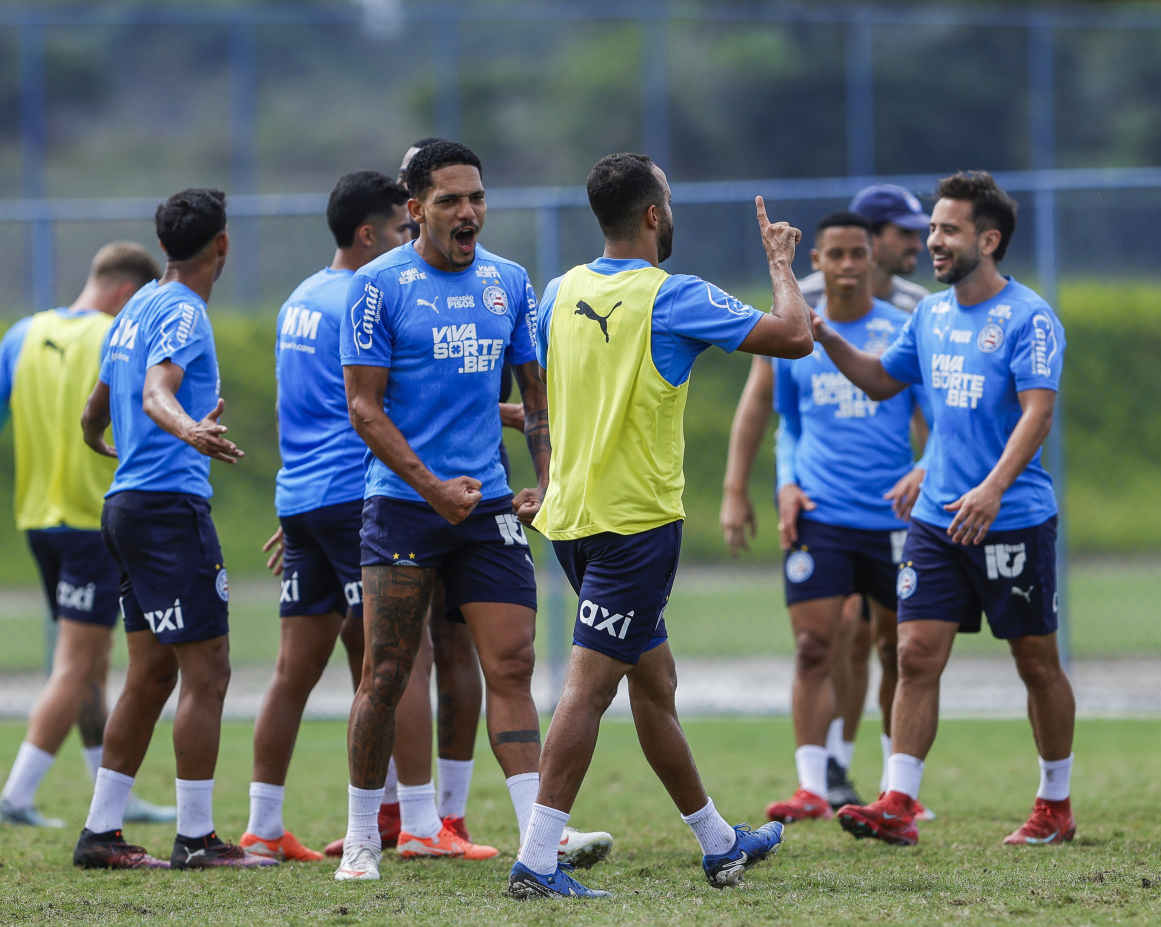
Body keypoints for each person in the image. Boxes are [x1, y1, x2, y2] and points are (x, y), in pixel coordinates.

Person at [507, 152, 813, 900]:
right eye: (668, 201)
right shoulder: (673, 297)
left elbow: (552, 394)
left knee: (655, 683)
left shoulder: (559, 292)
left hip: (573, 523)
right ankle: (536, 862)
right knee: (588, 691)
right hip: (634, 529)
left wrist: (547, 463)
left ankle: (718, 842)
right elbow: (794, 334)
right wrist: (780, 263)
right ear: (653, 214)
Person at [822, 171, 1074, 847]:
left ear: (988, 241)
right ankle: (898, 801)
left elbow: (1038, 413)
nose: (932, 240)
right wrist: (826, 336)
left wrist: (992, 488)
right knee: (915, 655)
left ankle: (1055, 803)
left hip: (1012, 518)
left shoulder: (1029, 317)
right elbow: (881, 379)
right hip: (937, 520)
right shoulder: (929, 316)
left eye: (948, 229)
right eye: (931, 228)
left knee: (1036, 663)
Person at [334, 140, 553, 882]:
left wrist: (547, 479)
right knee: (386, 672)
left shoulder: (510, 282)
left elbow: (535, 397)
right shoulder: (377, 286)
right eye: (451, 199)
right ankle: (363, 837)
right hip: (404, 506)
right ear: (416, 207)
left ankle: (538, 840)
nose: (469, 212)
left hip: (487, 507)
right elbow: (363, 409)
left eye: (477, 198)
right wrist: (431, 488)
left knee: (512, 663)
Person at [72, 188, 276, 870]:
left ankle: (101, 834)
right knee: (207, 669)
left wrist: (99, 439)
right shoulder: (184, 311)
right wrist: (189, 428)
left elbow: (97, 407)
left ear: (163, 245)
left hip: (126, 507)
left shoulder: (134, 308)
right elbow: (156, 390)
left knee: (151, 671)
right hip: (166, 509)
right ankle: (196, 838)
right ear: (222, 244)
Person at [720, 183, 931, 807]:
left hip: (892, 517)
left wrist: (927, 470)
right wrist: (780, 483)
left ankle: (895, 789)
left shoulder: (904, 328)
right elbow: (787, 421)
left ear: (872, 257)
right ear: (817, 260)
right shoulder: (797, 330)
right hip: (821, 514)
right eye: (834, 254)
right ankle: (812, 786)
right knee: (815, 646)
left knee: (897, 649)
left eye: (856, 253)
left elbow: (935, 419)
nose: (846, 264)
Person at [238, 171, 423, 862]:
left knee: (299, 669)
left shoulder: (300, 298)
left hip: (303, 501)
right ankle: (418, 822)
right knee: (396, 660)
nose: (411, 240)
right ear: (369, 235)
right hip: (354, 498)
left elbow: (301, 408)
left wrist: (301, 509)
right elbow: (383, 403)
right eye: (402, 230)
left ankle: (263, 825)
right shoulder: (363, 298)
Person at [0, 243, 174, 829]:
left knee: (94, 663)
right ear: (127, 294)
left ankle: (113, 792)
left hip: (37, 520)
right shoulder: (118, 338)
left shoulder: (21, 335)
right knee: (76, 666)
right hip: (90, 522)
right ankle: (16, 795)